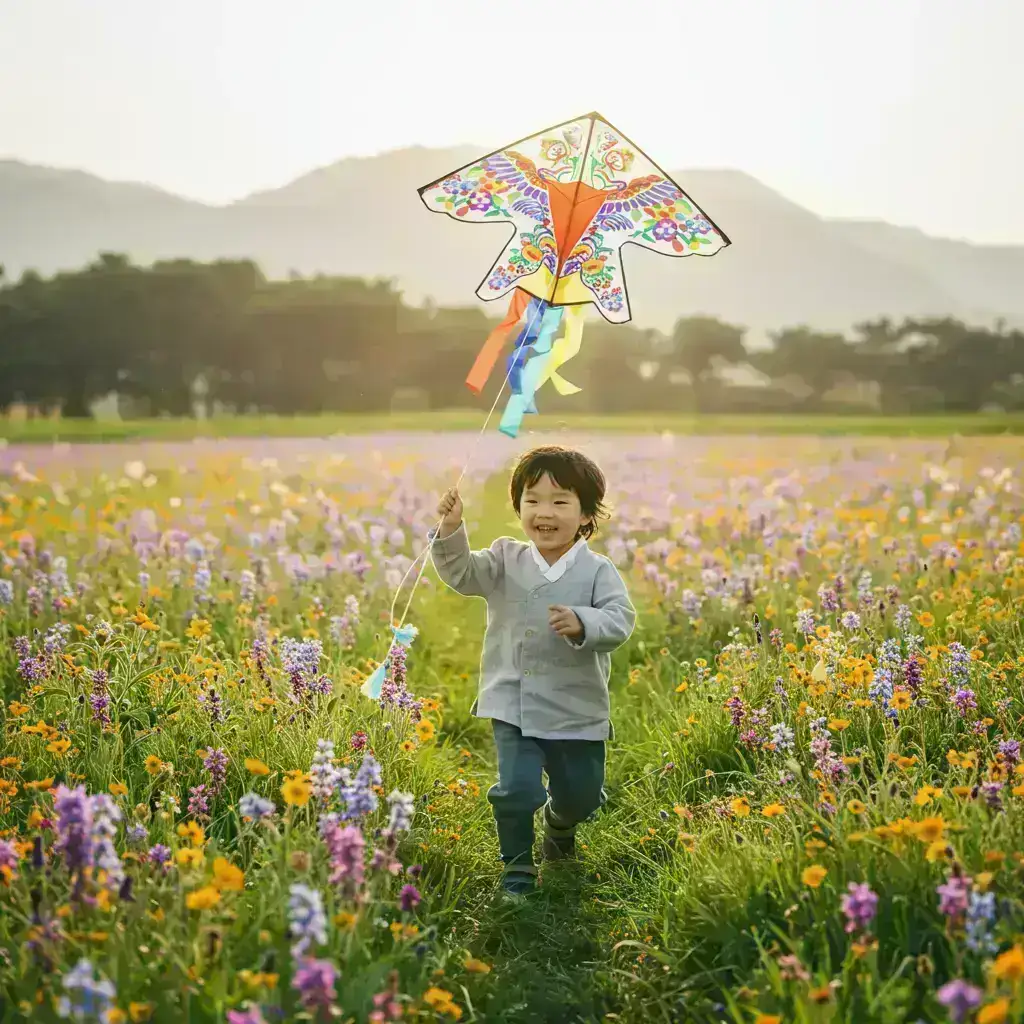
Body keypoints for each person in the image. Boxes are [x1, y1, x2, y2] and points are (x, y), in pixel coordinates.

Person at [430, 445, 636, 898]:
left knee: (581, 794)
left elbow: (621, 618)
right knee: (517, 790)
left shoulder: (597, 571)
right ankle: (517, 866)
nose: (545, 512)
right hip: (513, 700)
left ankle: (560, 824)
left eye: (560, 502)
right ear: (519, 507)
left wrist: (586, 622)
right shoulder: (505, 559)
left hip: (575, 705)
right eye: (533, 500)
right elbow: (462, 573)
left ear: (586, 515)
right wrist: (450, 529)